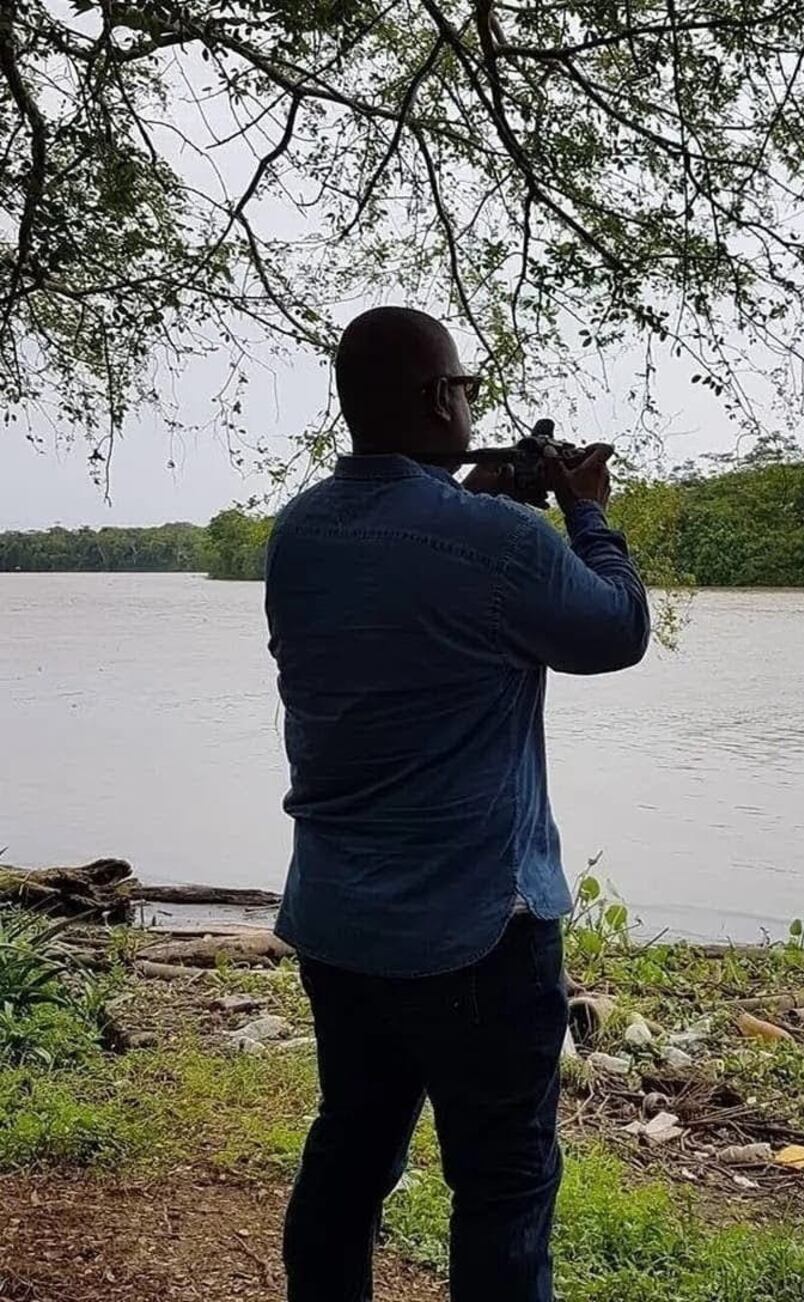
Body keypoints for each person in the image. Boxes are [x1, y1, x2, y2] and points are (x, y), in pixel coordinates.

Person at [265, 305, 650, 1302]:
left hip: (341, 921)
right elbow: (613, 631)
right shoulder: (498, 542)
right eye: (464, 389)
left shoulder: (299, 532)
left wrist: (475, 492)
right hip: (478, 929)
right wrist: (587, 512)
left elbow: (411, 566)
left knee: (349, 1154)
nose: (470, 402)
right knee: (502, 1186)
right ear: (441, 399)